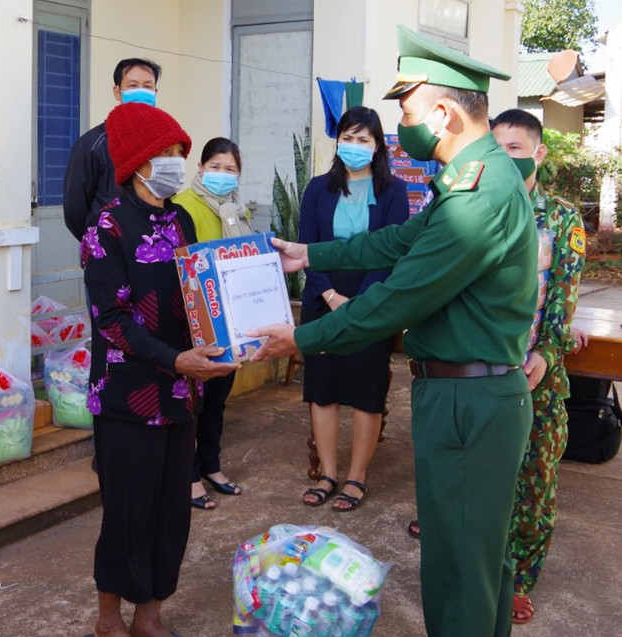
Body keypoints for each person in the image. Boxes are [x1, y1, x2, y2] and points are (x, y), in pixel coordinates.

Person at [249, 25, 539, 637]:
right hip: (468, 392)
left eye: (405, 111)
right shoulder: (470, 178)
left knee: (461, 568)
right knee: (475, 560)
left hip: (469, 399)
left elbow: (401, 296)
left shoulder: (477, 195)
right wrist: (310, 251)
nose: (401, 127)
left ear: (441, 112)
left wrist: (299, 339)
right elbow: (396, 240)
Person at [82, 103, 239, 637]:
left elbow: (197, 295)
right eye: (165, 153)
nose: (175, 162)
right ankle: (109, 618)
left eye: (179, 153)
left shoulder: (182, 218)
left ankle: (150, 616)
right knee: (126, 512)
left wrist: (220, 338)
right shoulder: (106, 228)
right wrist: (174, 359)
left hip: (181, 391)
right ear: (137, 161)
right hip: (128, 395)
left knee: (172, 511)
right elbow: (111, 318)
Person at [492, 108, 585, 624]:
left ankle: (521, 577)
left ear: (538, 153)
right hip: (485, 371)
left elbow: (562, 299)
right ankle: (488, 569)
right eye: (497, 147)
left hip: (537, 376)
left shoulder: (562, 219)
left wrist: (547, 355)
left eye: (516, 149)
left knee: (535, 481)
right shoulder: (477, 208)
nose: (505, 159)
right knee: (487, 479)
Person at [296, 107, 409, 512]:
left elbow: (391, 251)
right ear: (338, 141)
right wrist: (329, 296)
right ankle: (327, 473)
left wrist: (360, 304)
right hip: (322, 301)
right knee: (322, 390)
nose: (355, 146)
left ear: (377, 145)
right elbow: (306, 249)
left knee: (366, 393)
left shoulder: (394, 193)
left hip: (372, 304)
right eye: (348, 138)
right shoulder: (316, 189)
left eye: (364, 139)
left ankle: (356, 478)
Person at [172, 137, 252, 510]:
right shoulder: (182, 206)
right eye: (215, 166)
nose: (222, 174)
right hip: (196, 318)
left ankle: (212, 466)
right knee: (193, 402)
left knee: (218, 400)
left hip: (231, 318)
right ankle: (187, 476)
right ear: (201, 168)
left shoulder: (238, 211)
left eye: (230, 168)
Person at [63, 57, 162, 241]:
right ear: (117, 92)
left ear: (155, 92)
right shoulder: (92, 144)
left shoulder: (163, 143)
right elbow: (74, 211)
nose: (141, 91)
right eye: (133, 85)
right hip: (108, 250)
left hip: (152, 247)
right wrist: (99, 243)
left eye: (147, 86)